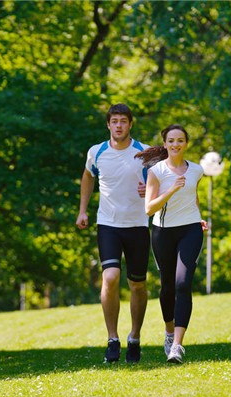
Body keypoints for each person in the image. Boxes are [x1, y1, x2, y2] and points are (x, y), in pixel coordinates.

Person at [76, 103, 150, 363]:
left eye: (123, 121)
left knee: (138, 285)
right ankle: (112, 339)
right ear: (108, 125)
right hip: (108, 223)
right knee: (110, 277)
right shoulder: (97, 152)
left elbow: (160, 180)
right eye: (114, 121)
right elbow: (88, 177)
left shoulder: (144, 152)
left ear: (130, 124)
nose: (119, 125)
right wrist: (82, 210)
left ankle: (135, 337)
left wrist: (150, 192)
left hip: (138, 225)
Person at [135, 124, 208, 364]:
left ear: (186, 144)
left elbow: (193, 198)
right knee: (167, 287)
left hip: (190, 230)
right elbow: (149, 208)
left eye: (180, 140)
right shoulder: (156, 171)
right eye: (171, 140)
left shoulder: (196, 170)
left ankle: (177, 345)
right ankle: (168, 333)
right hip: (163, 232)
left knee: (182, 284)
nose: (176, 144)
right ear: (165, 144)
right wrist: (171, 190)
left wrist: (198, 217)